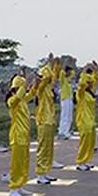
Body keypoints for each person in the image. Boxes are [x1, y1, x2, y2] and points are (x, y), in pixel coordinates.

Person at [7, 72, 46, 196]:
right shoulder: (12, 101)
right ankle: (13, 188)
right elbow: (17, 98)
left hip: (24, 136)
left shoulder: (22, 100)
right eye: (22, 87)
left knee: (24, 162)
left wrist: (36, 85)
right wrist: (26, 84)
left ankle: (20, 185)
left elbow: (31, 94)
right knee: (16, 164)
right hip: (17, 136)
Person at [34, 53, 62, 184]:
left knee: (49, 148)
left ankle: (46, 171)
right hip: (43, 121)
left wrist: (55, 64)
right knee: (43, 147)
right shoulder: (40, 89)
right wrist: (48, 65)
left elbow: (54, 76)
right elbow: (47, 78)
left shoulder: (49, 88)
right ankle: (40, 173)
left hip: (50, 120)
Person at [74, 62, 98, 170]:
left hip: (91, 120)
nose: (91, 84)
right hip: (84, 120)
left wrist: (95, 70)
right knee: (84, 142)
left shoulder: (90, 93)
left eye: (91, 82)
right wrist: (84, 71)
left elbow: (95, 79)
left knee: (90, 142)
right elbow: (81, 84)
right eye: (89, 82)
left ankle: (87, 160)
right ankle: (80, 162)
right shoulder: (81, 93)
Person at [57, 66, 75, 139]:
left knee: (69, 117)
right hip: (65, 99)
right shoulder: (63, 79)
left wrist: (70, 70)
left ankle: (66, 132)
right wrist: (64, 69)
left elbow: (73, 73)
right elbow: (61, 73)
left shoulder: (69, 79)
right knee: (65, 116)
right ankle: (62, 132)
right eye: (69, 72)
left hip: (70, 99)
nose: (71, 73)